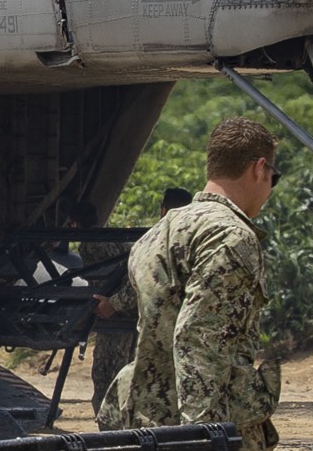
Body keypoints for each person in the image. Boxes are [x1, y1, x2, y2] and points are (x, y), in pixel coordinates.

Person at [100, 117, 282, 451]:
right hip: (201, 428)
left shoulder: (158, 233)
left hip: (151, 421)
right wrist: (205, 437)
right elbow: (199, 338)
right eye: (275, 176)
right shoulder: (230, 235)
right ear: (259, 168)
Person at [86, 187, 195, 410]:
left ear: (163, 209)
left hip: (140, 324)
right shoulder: (194, 239)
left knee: (111, 378)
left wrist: (113, 304)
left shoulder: (160, 238)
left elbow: (147, 280)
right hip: (179, 329)